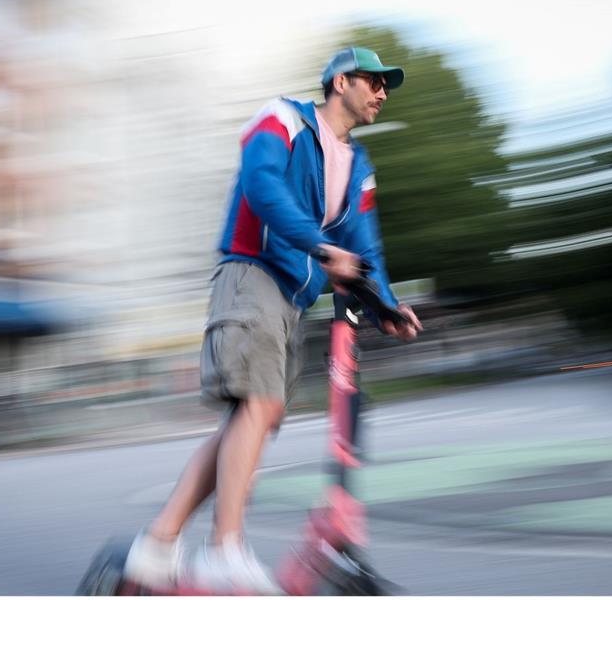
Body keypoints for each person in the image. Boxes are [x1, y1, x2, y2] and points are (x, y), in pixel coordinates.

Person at [124, 46, 423, 594]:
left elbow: (364, 245)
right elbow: (262, 187)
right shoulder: (283, 119)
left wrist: (386, 303)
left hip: (291, 298)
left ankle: (157, 546)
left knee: (252, 423)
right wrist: (318, 246)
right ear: (340, 81)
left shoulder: (358, 167)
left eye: (387, 86)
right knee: (256, 410)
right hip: (251, 274)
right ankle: (224, 551)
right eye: (375, 81)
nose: (383, 93)